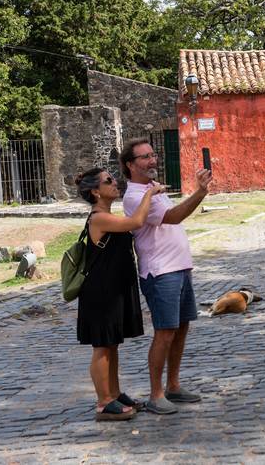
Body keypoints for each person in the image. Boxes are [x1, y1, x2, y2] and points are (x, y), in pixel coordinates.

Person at [121, 138, 212, 415]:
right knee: (165, 332)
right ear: (130, 165)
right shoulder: (135, 196)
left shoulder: (153, 188)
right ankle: (156, 393)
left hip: (180, 267)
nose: (153, 161)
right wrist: (200, 192)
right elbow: (172, 217)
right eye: (145, 157)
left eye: (153, 155)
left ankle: (173, 385)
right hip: (160, 272)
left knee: (181, 328)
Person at [75, 168, 165, 421]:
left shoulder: (108, 215)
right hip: (100, 291)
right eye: (108, 181)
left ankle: (113, 393)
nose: (115, 182)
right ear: (95, 191)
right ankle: (104, 402)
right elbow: (136, 222)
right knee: (102, 346)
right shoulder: (98, 218)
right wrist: (149, 194)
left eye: (113, 178)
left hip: (114, 290)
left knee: (112, 344)